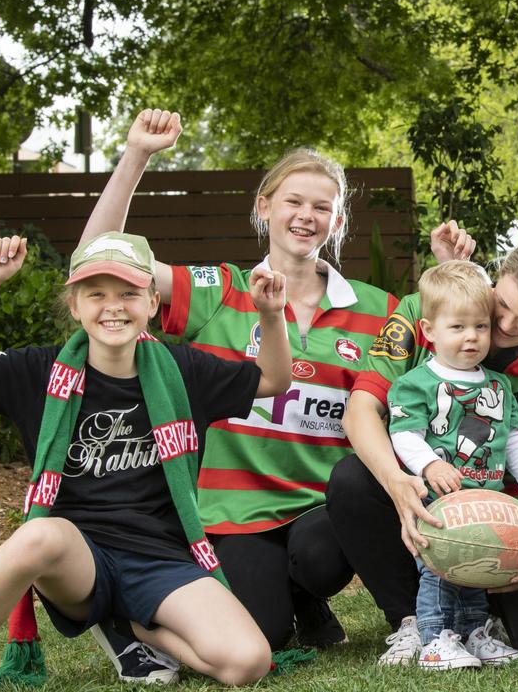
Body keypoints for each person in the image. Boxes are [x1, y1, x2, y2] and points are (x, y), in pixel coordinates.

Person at [78, 110, 470, 664]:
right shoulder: (220, 290)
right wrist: (137, 154)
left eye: (322, 207)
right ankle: (285, 607)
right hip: (236, 510)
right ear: (264, 207)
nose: (306, 216)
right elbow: (98, 261)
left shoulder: (378, 309)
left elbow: (457, 354)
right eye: (293, 201)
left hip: (324, 512)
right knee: (263, 635)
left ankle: (327, 596)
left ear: (336, 222)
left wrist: (451, 275)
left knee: (322, 550)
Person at [0, 231, 290, 686]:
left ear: (151, 302)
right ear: (75, 306)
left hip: (159, 557)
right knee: (39, 536)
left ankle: (128, 623)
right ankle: (110, 610)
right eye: (96, 294)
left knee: (247, 663)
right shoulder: (35, 371)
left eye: (129, 293)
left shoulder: (185, 370)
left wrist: (270, 313)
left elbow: (273, 379)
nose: (113, 306)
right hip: (76, 560)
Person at [332, 227, 518, 664]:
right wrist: (399, 483)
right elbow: (360, 411)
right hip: (423, 503)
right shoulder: (426, 311)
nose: (505, 326)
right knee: (352, 480)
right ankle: (412, 620)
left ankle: (479, 614)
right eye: (503, 305)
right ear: (499, 276)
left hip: (504, 519)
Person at [386, 260, 518, 670]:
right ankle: (433, 638)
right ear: (429, 331)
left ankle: (475, 633)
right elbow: (404, 433)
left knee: (479, 569)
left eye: (480, 327)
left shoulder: (497, 386)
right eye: (458, 327)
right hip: (438, 504)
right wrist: (429, 466)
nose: (471, 337)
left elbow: (512, 437)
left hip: (485, 500)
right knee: (441, 571)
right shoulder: (416, 383)